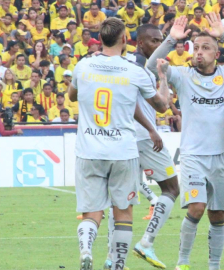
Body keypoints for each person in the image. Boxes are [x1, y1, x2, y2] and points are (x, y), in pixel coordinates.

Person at [147, 14, 224, 270]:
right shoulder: (183, 75)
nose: (199, 53)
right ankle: (182, 262)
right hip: (194, 156)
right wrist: (171, 40)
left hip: (220, 157)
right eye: (196, 48)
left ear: (216, 54)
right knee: (196, 207)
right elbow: (152, 66)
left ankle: (213, 265)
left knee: (217, 215)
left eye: (206, 48)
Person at [68, 17, 165, 270]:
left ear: (99, 40)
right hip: (123, 152)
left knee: (92, 213)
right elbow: (161, 106)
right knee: (123, 213)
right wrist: (164, 79)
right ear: (124, 40)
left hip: (89, 151)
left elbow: (72, 95)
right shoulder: (135, 71)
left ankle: (87, 248)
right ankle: (118, 265)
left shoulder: (83, 66)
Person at [114, 24, 180, 270]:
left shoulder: (125, 63)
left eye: (160, 40)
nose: (157, 45)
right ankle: (146, 242)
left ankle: (113, 259)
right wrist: (163, 75)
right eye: (154, 41)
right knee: (172, 189)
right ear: (140, 42)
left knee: (122, 200)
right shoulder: (141, 66)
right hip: (144, 137)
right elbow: (160, 106)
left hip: (124, 138)